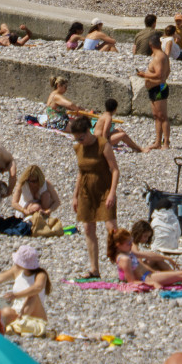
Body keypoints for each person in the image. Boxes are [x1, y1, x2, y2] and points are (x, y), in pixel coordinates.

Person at [69, 112, 119, 278]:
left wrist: (112, 192)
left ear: (88, 132)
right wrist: (75, 196)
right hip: (86, 191)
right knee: (88, 228)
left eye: (81, 138)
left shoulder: (102, 144)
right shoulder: (78, 148)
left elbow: (115, 170)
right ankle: (94, 269)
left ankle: (123, 266)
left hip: (104, 189)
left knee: (111, 228)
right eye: (77, 139)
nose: (79, 141)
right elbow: (80, 172)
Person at [0, 244, 49, 327]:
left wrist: (16, 295)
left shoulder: (40, 274)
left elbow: (37, 288)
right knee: (4, 312)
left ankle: (20, 322)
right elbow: (0, 278)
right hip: (18, 311)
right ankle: (18, 323)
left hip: (36, 314)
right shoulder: (17, 270)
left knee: (32, 295)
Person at [140, 34, 172, 149]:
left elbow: (159, 74)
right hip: (155, 88)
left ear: (150, 45)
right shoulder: (160, 56)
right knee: (156, 116)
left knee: (162, 116)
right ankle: (158, 142)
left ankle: (166, 143)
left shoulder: (159, 57)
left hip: (159, 88)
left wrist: (144, 74)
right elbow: (167, 72)